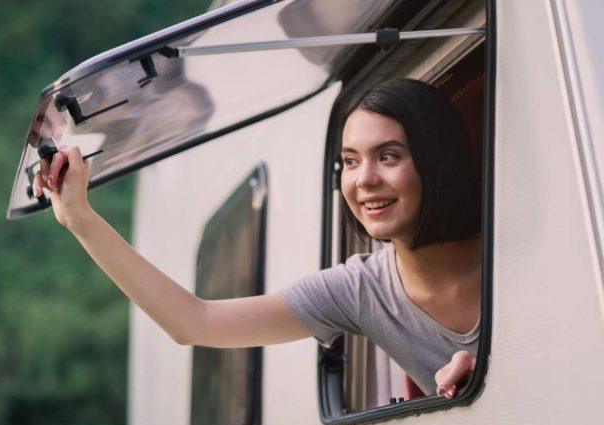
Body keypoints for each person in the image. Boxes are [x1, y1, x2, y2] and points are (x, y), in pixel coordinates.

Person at [32, 78, 481, 399]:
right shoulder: (361, 290)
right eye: (350, 160)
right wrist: (78, 217)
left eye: (388, 156)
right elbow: (194, 322)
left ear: (435, 161)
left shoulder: (514, 247)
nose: (364, 179)